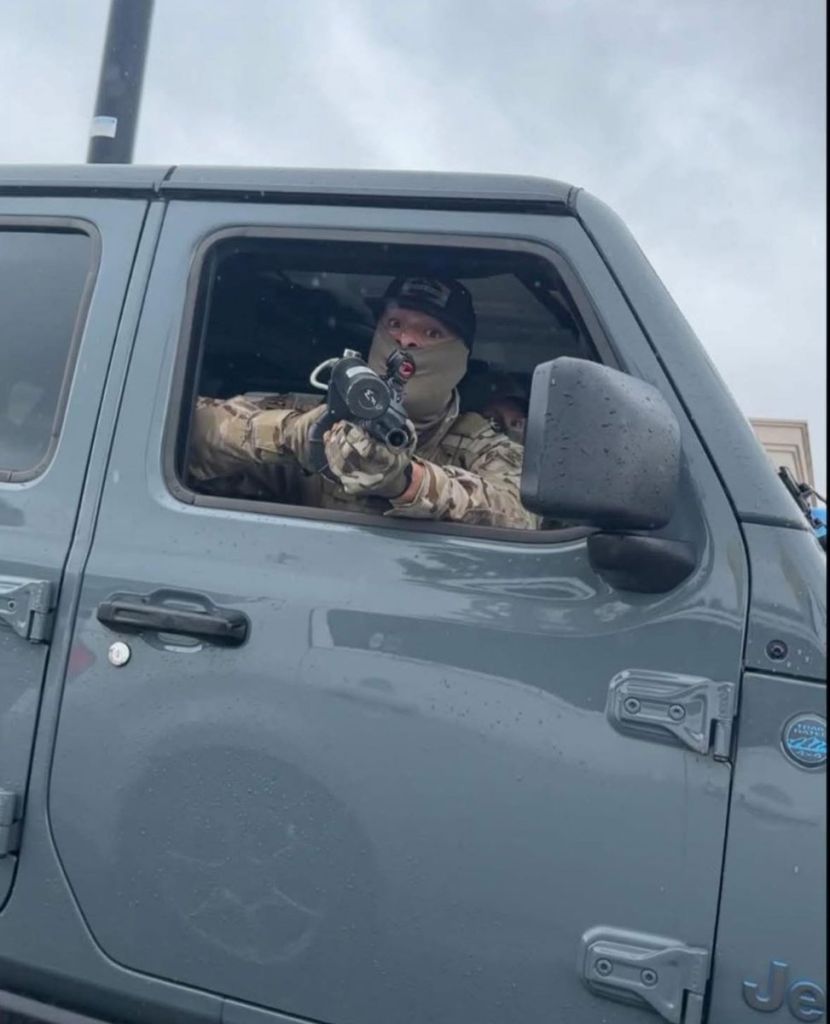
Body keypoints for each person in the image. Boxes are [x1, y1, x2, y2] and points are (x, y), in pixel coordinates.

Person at [188, 276, 538, 530]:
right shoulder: (316, 414)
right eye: (395, 324)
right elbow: (187, 430)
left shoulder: (486, 447)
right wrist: (296, 435)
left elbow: (519, 517)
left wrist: (406, 481)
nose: (406, 340)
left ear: (460, 356)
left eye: (432, 333)